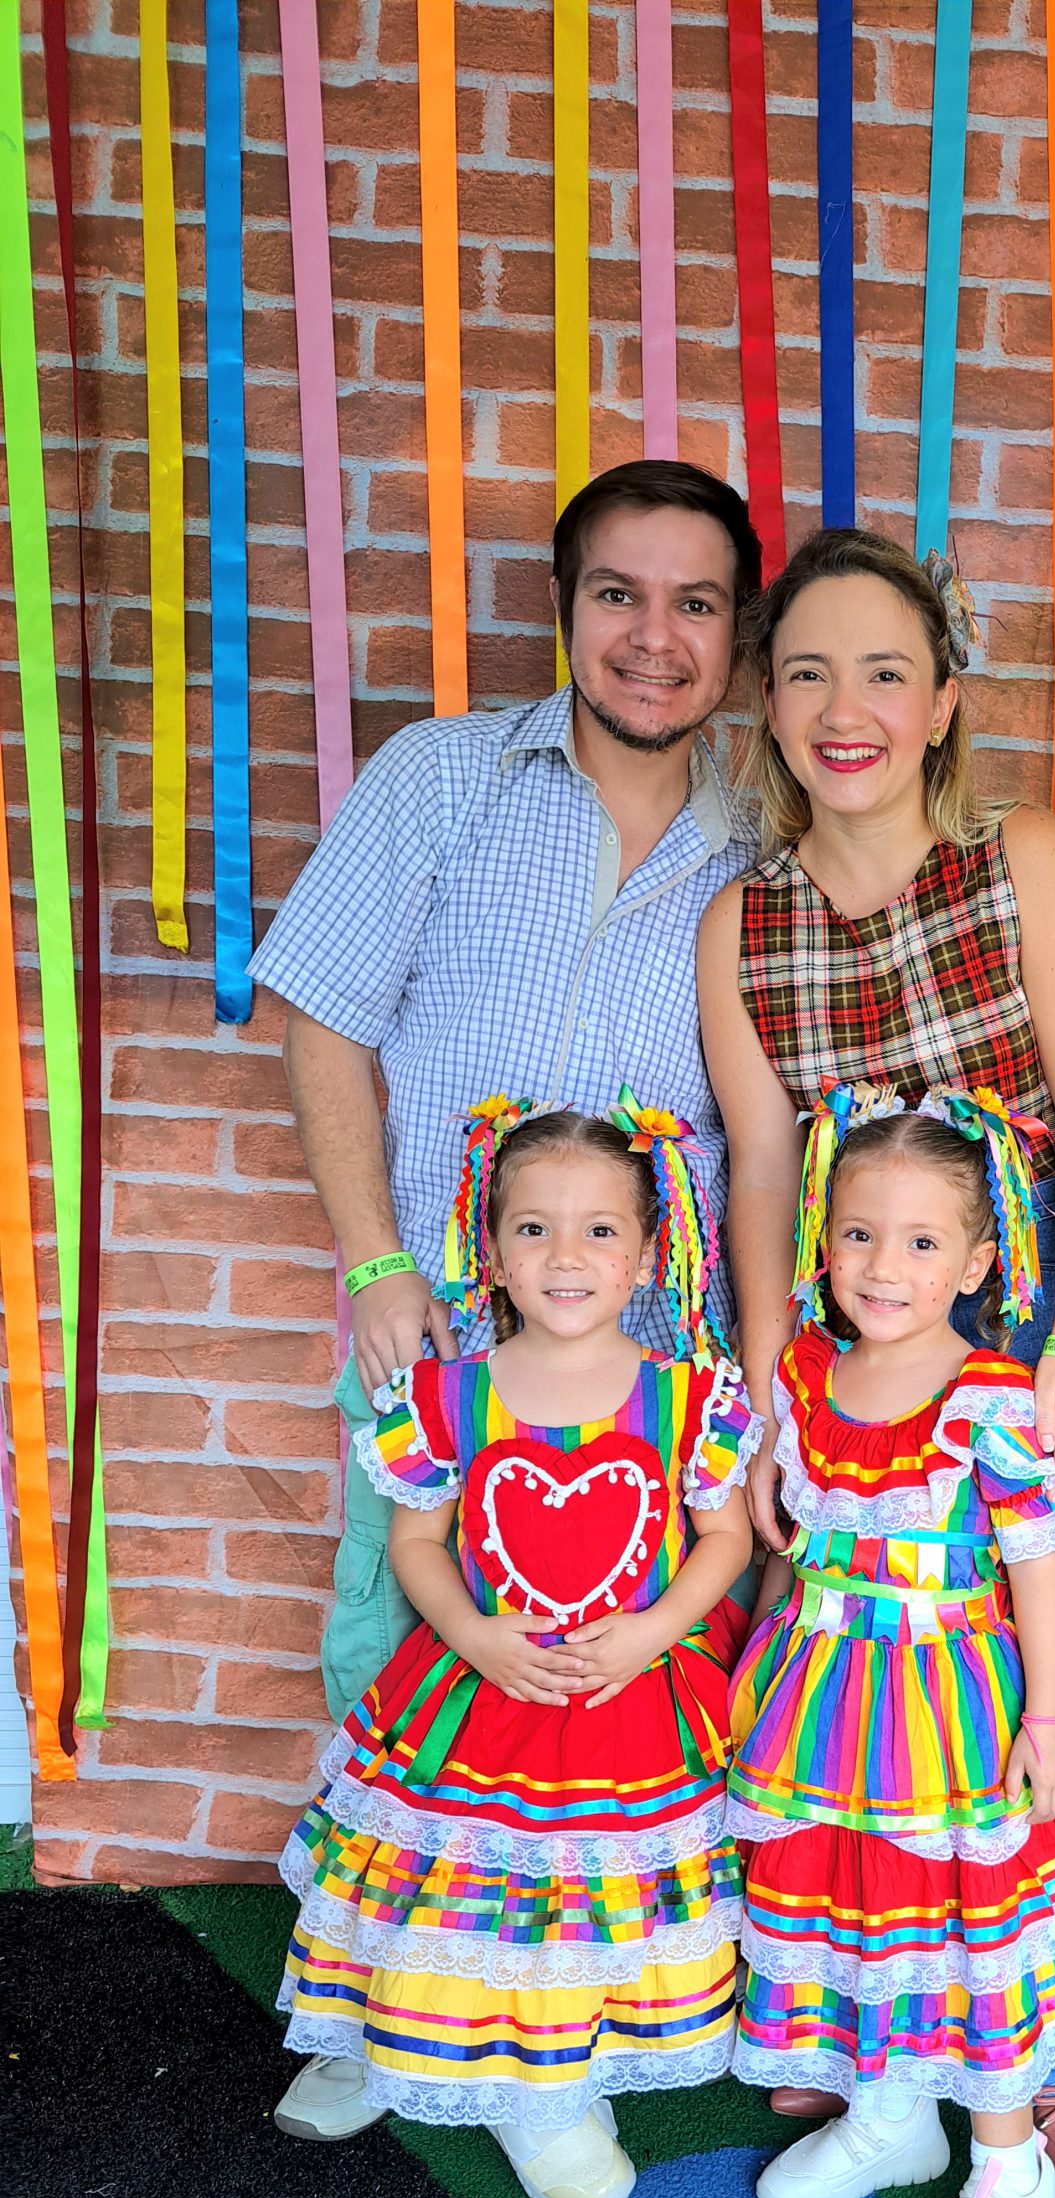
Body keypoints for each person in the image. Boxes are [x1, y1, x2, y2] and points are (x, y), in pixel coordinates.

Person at [696, 528, 1055, 2188]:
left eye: (885, 672)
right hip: (854, 1328)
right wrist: (769, 1392)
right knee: (858, 1695)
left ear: (944, 698)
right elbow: (762, 1171)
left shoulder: (1018, 857)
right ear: (766, 701)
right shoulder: (742, 921)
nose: (847, 709)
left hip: (1034, 1295)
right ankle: (866, 2032)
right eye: (808, 671)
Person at [250, 458, 762, 1799]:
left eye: (696, 604)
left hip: (660, 1374)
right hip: (442, 1340)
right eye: (618, 595)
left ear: (739, 632)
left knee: (652, 1718)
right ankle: (399, 1926)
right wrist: (376, 1265)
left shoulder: (769, 839)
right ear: (561, 602)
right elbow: (324, 1019)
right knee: (398, 1666)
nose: (654, 639)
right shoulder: (439, 778)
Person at [273, 1097, 759, 2198]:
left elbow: (727, 1537)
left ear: (649, 1253)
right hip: (483, 1692)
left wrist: (654, 1630)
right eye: (533, 1228)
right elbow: (417, 1542)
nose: (566, 1256)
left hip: (637, 1694)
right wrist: (475, 1634)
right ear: (490, 1250)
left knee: (597, 1891)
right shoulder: (448, 1395)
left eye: (600, 1230)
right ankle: (467, 2067)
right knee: (472, 1889)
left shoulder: (692, 1396)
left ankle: (562, 2079)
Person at [728, 1087, 1055, 2198]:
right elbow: (793, 1544)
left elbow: (1037, 1564)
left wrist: (1045, 1720)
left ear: (979, 1261)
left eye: (922, 1240)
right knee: (852, 1904)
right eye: (858, 1233)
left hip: (952, 1714)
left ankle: (1014, 2183)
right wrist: (758, 1664)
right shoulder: (803, 1373)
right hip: (821, 1705)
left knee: (965, 1930)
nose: (883, 1266)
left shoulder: (989, 1397)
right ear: (824, 1239)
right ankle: (892, 2112)